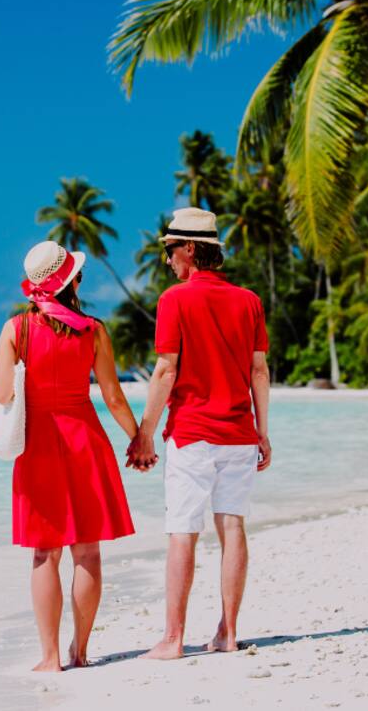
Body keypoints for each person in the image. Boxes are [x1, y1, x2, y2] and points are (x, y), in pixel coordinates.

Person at [0, 240, 145, 672]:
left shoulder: (15, 329)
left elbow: (2, 391)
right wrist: (139, 440)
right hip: (85, 440)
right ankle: (81, 651)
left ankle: (51, 657)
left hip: (37, 443)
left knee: (44, 554)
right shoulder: (93, 330)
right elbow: (113, 397)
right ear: (72, 282)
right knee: (87, 553)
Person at [127, 207, 271, 660]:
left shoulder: (175, 300)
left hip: (192, 434)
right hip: (239, 434)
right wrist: (262, 432)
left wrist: (145, 433)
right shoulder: (248, 300)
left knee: (182, 532)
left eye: (171, 249)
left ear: (190, 249)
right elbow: (259, 371)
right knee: (232, 527)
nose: (168, 259)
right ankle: (228, 633)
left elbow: (166, 369)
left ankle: (173, 638)